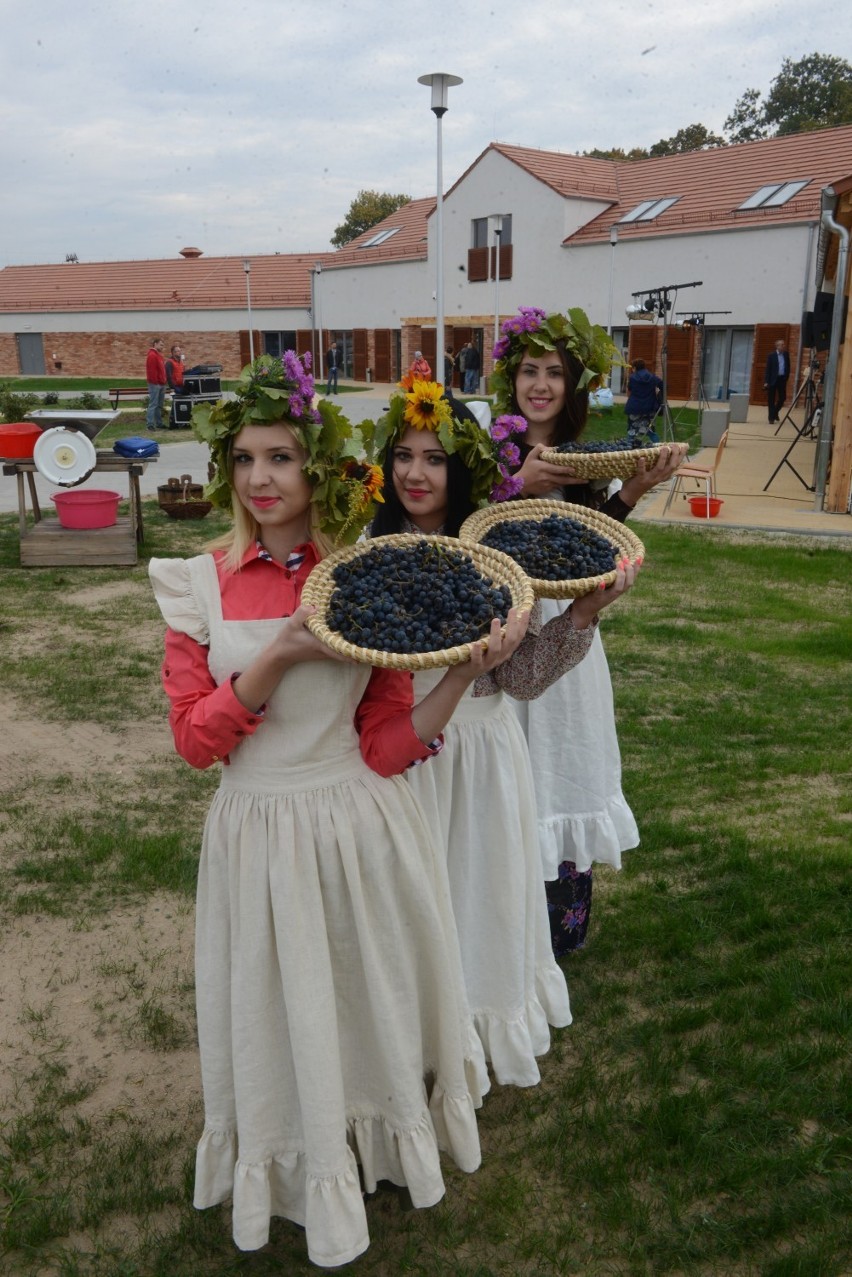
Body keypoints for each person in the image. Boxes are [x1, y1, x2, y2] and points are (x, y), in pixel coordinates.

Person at [148, 353, 531, 1269]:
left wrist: (463, 676)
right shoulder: (200, 585)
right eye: (244, 459)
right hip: (260, 828)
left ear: (314, 468)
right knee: (281, 1005)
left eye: (280, 456)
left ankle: (377, 1140)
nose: (260, 479)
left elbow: (388, 744)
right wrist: (275, 657)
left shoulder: (358, 577)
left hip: (361, 823)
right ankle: (295, 1152)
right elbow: (197, 742)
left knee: (365, 997)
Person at [365, 380, 637, 1084]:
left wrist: (580, 618)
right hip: (403, 762)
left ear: (462, 472)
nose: (414, 473)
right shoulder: (366, 552)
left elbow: (518, 680)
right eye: (403, 455)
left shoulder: (494, 553)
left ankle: (477, 1036)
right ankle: (414, 1044)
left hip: (482, 758)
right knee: (409, 910)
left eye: (433, 458)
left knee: (477, 900)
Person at [490, 306, 687, 955]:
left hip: (572, 636)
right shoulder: (489, 452)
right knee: (513, 777)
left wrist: (632, 490)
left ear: (572, 386)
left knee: (566, 767)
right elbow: (466, 532)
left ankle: (562, 930)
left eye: (554, 372)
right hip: (514, 631)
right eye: (529, 370)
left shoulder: (584, 458)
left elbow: (592, 540)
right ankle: (502, 922)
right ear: (510, 379)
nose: (540, 383)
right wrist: (516, 483)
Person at [625, 358, 663, 444]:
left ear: (635, 367)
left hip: (635, 407)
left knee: (632, 430)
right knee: (650, 430)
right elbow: (663, 385)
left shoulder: (632, 377)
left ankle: (628, 449)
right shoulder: (652, 377)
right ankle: (659, 447)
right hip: (649, 407)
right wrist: (659, 395)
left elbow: (630, 388)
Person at [764, 339, 789, 424]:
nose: (783, 346)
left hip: (782, 379)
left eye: (783, 344)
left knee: (782, 398)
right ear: (777, 346)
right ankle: (771, 418)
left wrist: (786, 377)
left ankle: (775, 412)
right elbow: (768, 369)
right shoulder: (771, 355)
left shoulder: (786, 354)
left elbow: (788, 366)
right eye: (782, 345)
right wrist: (766, 381)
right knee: (771, 399)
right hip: (772, 380)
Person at [145, 337, 167, 431]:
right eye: (161, 345)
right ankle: (150, 424)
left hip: (161, 383)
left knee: (159, 405)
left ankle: (159, 423)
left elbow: (161, 370)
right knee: (153, 404)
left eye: (163, 345)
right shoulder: (152, 355)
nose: (162, 347)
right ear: (155, 344)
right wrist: (156, 382)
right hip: (155, 384)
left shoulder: (159, 355)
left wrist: (163, 381)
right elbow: (151, 371)